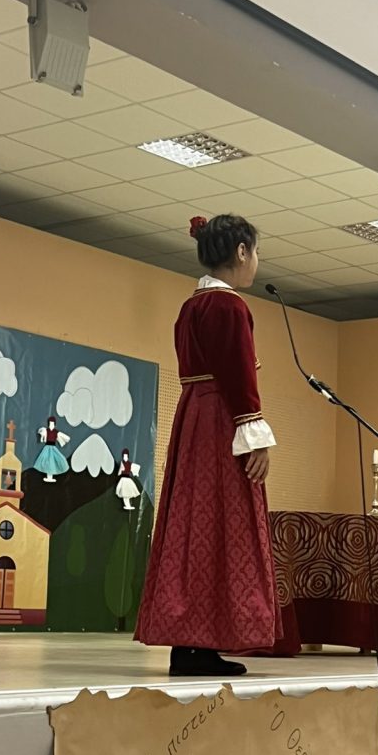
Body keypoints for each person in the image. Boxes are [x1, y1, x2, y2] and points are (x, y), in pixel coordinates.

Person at [134, 214, 281, 676]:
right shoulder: (230, 307)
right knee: (224, 522)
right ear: (241, 251)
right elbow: (238, 376)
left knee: (193, 522)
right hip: (220, 420)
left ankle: (189, 643)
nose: (256, 261)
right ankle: (207, 638)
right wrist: (254, 436)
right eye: (255, 252)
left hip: (193, 416)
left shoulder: (191, 306)